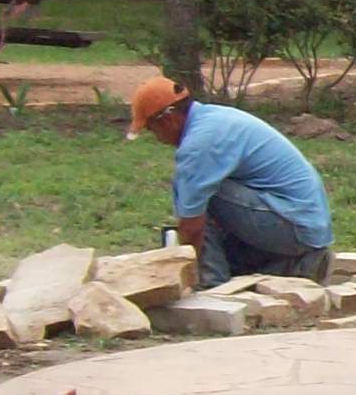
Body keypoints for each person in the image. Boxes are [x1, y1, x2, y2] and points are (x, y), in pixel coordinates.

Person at [127, 74, 332, 287]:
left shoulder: (199, 144)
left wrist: (184, 273)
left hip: (296, 225)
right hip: (303, 223)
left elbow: (192, 226)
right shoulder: (213, 118)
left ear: (168, 119)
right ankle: (288, 265)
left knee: (200, 199)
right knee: (201, 197)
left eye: (153, 130)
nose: (158, 139)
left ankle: (211, 287)